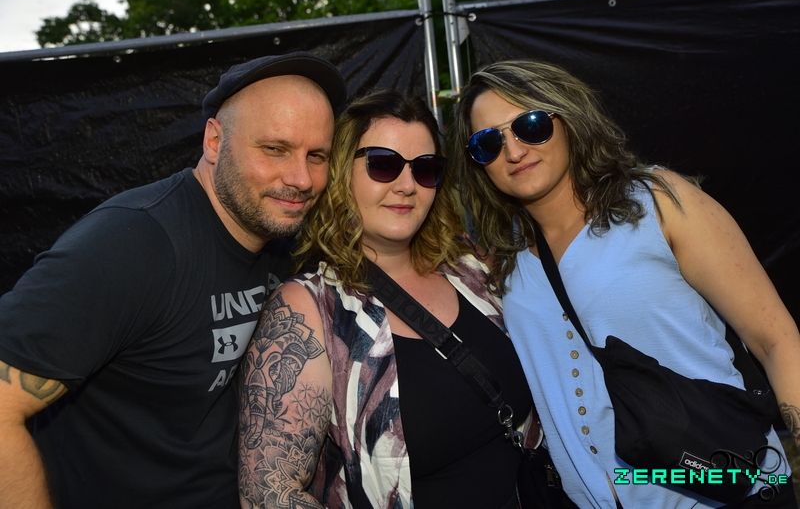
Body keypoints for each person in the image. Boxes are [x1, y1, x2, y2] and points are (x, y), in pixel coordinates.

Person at [0, 51, 347, 509]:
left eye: (316, 156)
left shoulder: (279, 240)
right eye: (274, 149)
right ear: (214, 141)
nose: (301, 178)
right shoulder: (132, 243)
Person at [452, 58, 800, 508]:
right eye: (488, 142)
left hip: (729, 489)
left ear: (567, 119)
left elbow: (775, 339)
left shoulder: (657, 202)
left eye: (530, 125)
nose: (514, 151)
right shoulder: (503, 261)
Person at [238, 90, 539, 509]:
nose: (407, 186)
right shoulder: (308, 308)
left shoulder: (470, 266)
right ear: (342, 173)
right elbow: (267, 493)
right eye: (383, 164)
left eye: (426, 169)